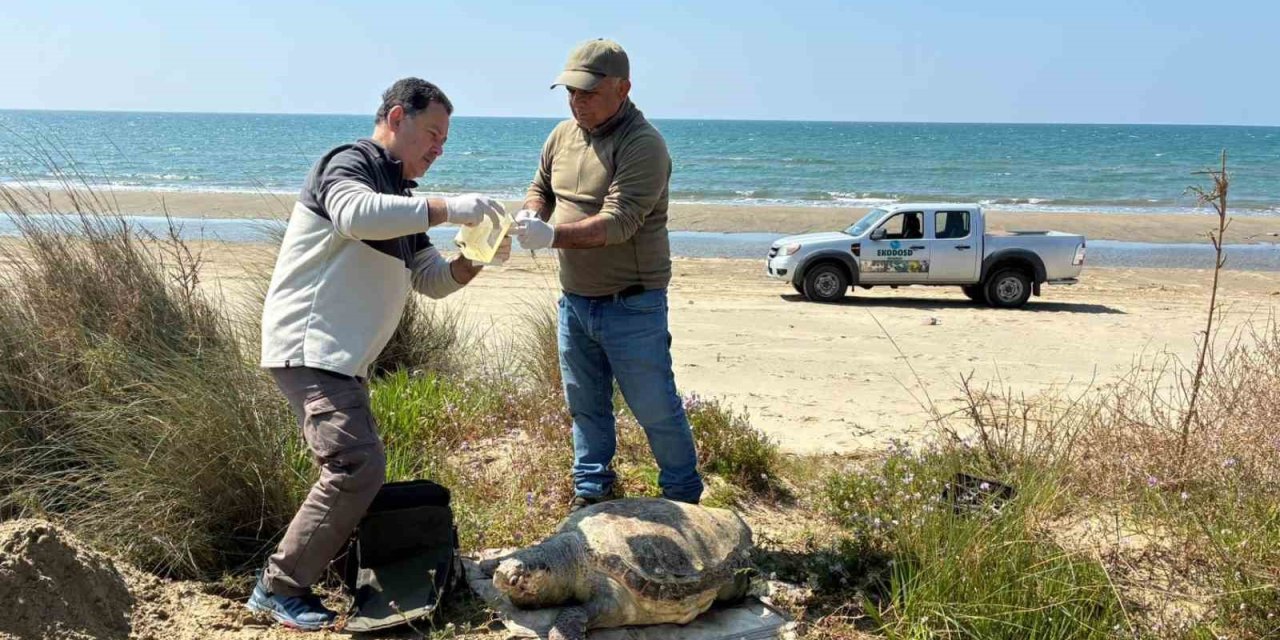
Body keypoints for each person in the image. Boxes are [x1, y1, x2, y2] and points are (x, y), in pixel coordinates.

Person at [249, 77, 509, 631]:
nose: (438, 148)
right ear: (396, 117)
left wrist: (477, 253)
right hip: (309, 347)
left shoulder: (403, 202)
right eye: (432, 133)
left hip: (341, 357)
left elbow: (432, 280)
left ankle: (330, 573)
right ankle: (279, 585)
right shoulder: (350, 163)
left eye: (444, 140)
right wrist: (452, 207)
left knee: (353, 465)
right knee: (356, 466)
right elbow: (354, 215)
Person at [512, 39, 704, 513]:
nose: (577, 101)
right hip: (575, 299)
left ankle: (684, 498)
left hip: (633, 304)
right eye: (571, 92)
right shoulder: (562, 135)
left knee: (655, 408)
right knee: (585, 405)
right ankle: (591, 489)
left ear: (623, 89)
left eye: (588, 93)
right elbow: (540, 186)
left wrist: (549, 236)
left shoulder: (644, 144)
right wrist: (530, 215)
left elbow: (619, 222)